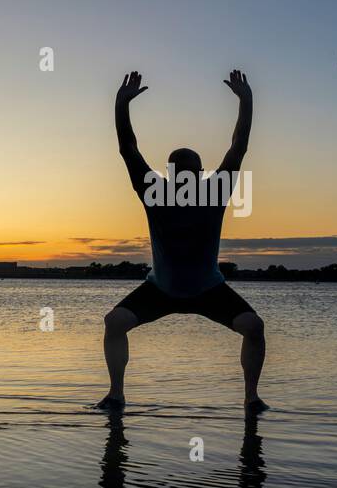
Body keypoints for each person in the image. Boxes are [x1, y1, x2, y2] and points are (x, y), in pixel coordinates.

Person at [97, 70, 267, 415]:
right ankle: (116, 395)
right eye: (180, 170)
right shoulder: (154, 193)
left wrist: (246, 101)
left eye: (191, 170)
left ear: (202, 173)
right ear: (170, 173)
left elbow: (239, 147)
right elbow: (127, 148)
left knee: (254, 327)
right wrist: (121, 105)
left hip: (209, 290)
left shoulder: (213, 192)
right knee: (115, 322)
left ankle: (251, 399)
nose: (185, 175)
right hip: (160, 289)